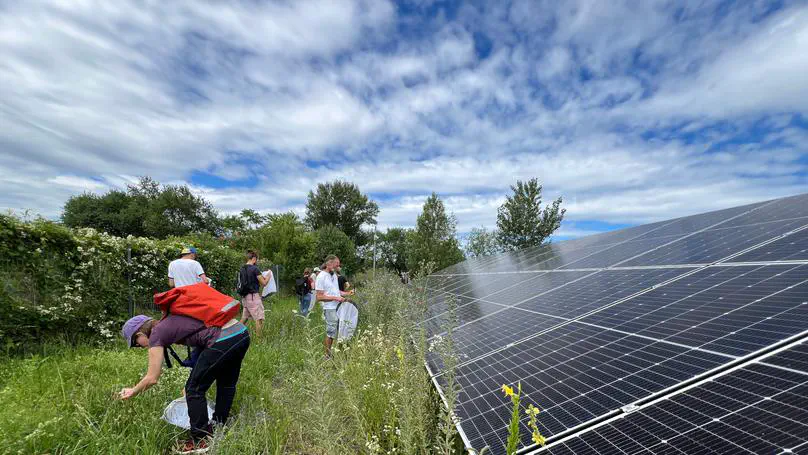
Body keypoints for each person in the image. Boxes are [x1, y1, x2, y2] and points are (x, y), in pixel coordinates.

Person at [118, 314, 250, 454]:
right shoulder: (170, 323)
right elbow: (203, 343)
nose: (139, 347)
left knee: (194, 390)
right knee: (226, 384)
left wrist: (133, 391)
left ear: (139, 333)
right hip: (240, 333)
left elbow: (152, 378)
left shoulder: (157, 333)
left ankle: (201, 440)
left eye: (136, 343)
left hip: (222, 338)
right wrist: (193, 378)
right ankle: (219, 425)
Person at [315, 255, 353, 359]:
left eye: (338, 265)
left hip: (339, 307)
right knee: (331, 332)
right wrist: (336, 298)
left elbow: (337, 292)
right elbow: (319, 297)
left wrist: (347, 293)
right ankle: (327, 356)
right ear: (328, 264)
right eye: (336, 265)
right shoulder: (321, 276)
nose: (338, 267)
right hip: (330, 308)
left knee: (340, 330)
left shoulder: (334, 276)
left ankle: (339, 353)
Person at [237, 250, 271, 337]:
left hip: (244, 297)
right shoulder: (255, 269)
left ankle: (234, 334)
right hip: (253, 297)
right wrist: (268, 276)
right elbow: (263, 283)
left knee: (244, 318)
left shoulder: (242, 269)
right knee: (259, 319)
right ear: (254, 259)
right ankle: (259, 339)